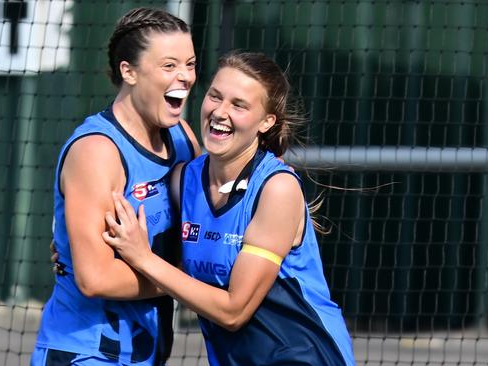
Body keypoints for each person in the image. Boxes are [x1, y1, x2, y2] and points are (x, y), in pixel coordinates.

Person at [103, 51, 356, 365]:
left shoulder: (276, 189)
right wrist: (77, 251)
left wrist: (142, 257)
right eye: (215, 96)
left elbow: (233, 311)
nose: (220, 112)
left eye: (239, 105)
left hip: (304, 356)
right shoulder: (185, 181)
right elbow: (175, 271)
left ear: (266, 122)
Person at [32, 7, 201, 366]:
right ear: (129, 71)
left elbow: (208, 226)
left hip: (146, 352)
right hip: (86, 352)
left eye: (191, 64)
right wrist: (189, 278)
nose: (185, 77)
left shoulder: (184, 139)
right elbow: (94, 278)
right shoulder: (96, 152)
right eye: (169, 66)